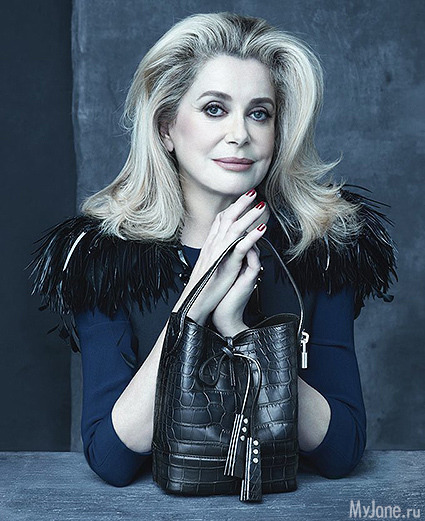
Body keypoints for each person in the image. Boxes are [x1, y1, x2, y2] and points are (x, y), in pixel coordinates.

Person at [31, 12, 396, 488]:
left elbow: (342, 449)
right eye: (214, 109)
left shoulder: (322, 250)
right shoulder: (102, 260)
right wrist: (195, 306)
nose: (240, 134)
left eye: (259, 113)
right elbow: (111, 456)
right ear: (166, 127)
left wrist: (242, 335)